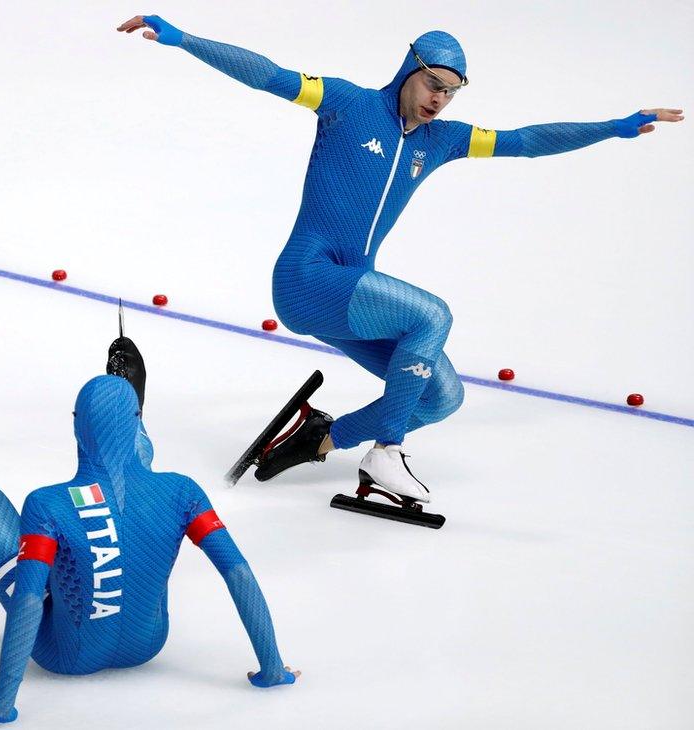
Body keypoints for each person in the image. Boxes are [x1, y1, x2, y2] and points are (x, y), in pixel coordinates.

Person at [117, 14, 684, 505]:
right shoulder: (346, 104)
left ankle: (321, 439)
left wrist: (613, 127)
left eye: (452, 91)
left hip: (351, 292)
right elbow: (268, 74)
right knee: (431, 317)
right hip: (307, 279)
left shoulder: (439, 140)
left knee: (442, 396)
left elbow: (527, 140)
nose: (440, 98)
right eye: (433, 83)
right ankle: (386, 452)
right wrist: (184, 39)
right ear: (408, 69)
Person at [0, 341, 298, 725]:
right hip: (148, 644)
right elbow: (237, 573)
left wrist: (2, 707)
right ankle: (124, 410)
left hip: (62, 651)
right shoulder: (183, 491)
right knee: (138, 474)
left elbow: (29, 600)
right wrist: (272, 669)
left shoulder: (47, 504)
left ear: (74, 425)